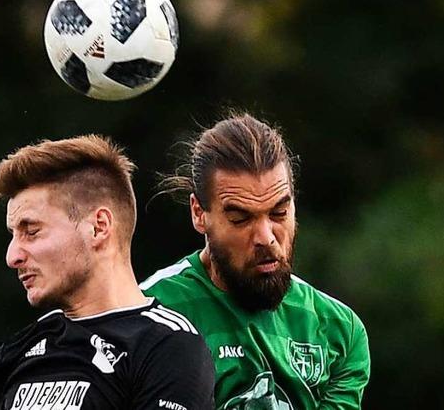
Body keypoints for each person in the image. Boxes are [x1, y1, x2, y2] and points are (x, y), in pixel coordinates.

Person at [141, 113, 370, 410]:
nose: (266, 237)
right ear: (199, 214)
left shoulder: (339, 330)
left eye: (278, 214)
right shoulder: (148, 312)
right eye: (240, 218)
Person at [0, 135, 214, 410]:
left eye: (31, 231)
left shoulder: (167, 347)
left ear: (98, 227)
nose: (12, 256)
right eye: (13, 235)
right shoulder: (18, 351)